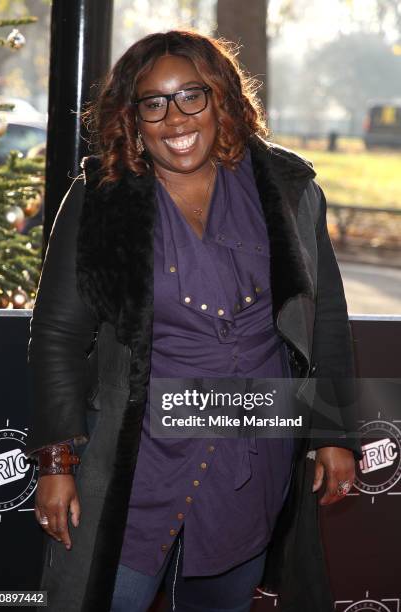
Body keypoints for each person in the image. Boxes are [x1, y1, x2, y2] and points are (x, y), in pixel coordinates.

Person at [24, 30, 362, 612]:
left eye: (191, 96)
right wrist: (56, 463)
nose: (174, 117)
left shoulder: (287, 188)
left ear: (222, 99)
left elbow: (324, 316)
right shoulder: (100, 198)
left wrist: (333, 434)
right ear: (132, 118)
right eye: (152, 102)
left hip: (250, 463)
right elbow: (57, 336)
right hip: (135, 466)